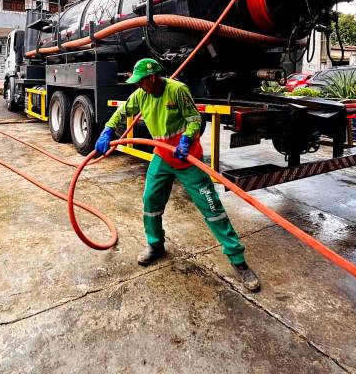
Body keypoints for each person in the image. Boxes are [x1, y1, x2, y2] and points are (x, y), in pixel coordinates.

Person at [95, 58, 261, 292]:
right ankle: (155, 245)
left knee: (211, 208)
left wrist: (186, 139)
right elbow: (123, 111)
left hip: (187, 158)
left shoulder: (177, 90)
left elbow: (195, 119)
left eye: (141, 81)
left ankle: (238, 261)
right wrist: (108, 130)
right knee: (150, 201)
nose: (138, 86)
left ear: (152, 78)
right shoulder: (141, 95)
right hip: (162, 157)